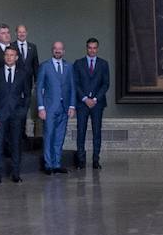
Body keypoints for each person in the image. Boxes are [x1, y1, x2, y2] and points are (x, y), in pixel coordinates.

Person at [0, 45, 28, 183]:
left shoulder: (23, 74)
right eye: (7, 55)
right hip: (0, 115)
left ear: (16, 57)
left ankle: (16, 173)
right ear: (4, 56)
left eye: (12, 55)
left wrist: (23, 112)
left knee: (16, 144)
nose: (9, 57)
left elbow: (27, 96)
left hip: (17, 115)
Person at [37, 41, 76, 175]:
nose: (58, 51)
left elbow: (72, 87)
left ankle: (57, 164)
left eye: (60, 49)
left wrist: (72, 105)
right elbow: (39, 88)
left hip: (64, 108)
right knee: (49, 135)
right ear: (52, 50)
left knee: (60, 136)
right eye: (55, 49)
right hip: (49, 108)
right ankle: (48, 165)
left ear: (63, 51)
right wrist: (41, 107)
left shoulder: (69, 66)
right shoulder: (45, 66)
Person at [73, 38, 109, 169]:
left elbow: (105, 84)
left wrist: (94, 99)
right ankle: (81, 160)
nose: (92, 50)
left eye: (94, 48)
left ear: (97, 49)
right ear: (86, 48)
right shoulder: (78, 63)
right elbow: (75, 83)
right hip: (82, 103)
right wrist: (84, 98)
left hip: (97, 104)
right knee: (81, 131)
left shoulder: (104, 64)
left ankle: (95, 160)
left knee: (97, 132)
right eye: (90, 47)